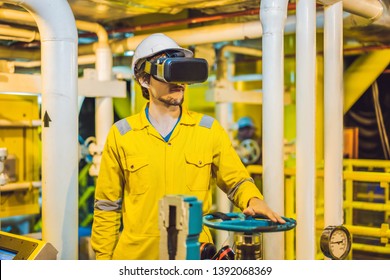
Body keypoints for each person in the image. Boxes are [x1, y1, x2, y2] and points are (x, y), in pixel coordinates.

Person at [90, 33, 285, 260]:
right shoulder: (122, 134)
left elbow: (237, 181)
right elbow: (107, 207)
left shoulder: (208, 130)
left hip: (193, 255)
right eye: (169, 70)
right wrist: (103, 263)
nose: (179, 80)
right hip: (137, 259)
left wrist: (253, 199)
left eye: (182, 69)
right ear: (144, 79)